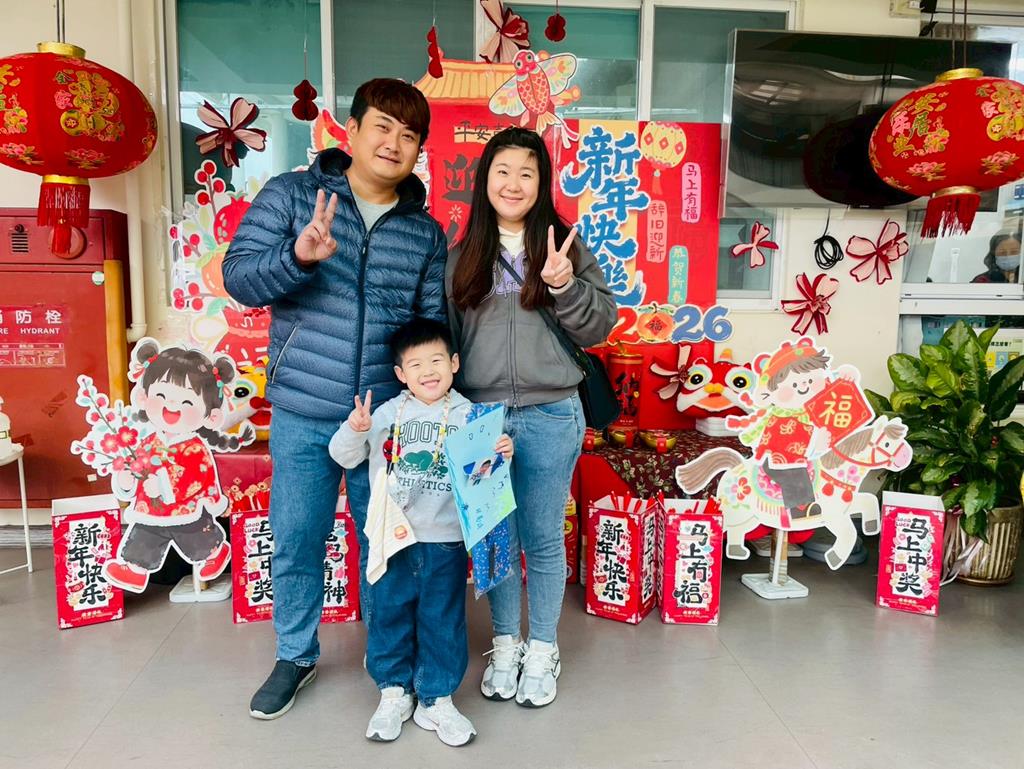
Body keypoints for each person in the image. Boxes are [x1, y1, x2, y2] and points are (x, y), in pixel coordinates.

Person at [222, 78, 448, 720]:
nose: (394, 143)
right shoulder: (294, 196)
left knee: (386, 544)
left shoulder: (424, 233)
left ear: (418, 150)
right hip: (304, 407)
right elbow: (239, 277)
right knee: (298, 538)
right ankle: (294, 655)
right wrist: (297, 255)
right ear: (351, 130)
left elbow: (430, 324)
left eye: (409, 135)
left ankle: (390, 665)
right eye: (383, 126)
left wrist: (435, 404)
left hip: (386, 422)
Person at [446, 126, 616, 708]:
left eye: (527, 172)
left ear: (542, 182)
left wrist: (565, 285)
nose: (513, 183)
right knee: (498, 537)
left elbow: (598, 327)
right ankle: (505, 644)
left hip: (551, 413)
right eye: (502, 171)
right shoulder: (462, 256)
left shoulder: (565, 247)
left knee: (542, 537)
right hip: (482, 418)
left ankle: (542, 647)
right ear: (484, 180)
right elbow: (449, 342)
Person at [329, 318, 513, 747]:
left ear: (454, 363)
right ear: (401, 374)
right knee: (389, 612)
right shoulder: (385, 414)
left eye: (436, 361)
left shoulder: (472, 417)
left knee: (442, 618)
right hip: (393, 537)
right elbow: (343, 456)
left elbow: (484, 479)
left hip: (445, 539)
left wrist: (504, 452)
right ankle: (393, 693)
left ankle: (436, 698)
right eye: (415, 365)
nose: (428, 372)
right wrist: (355, 429)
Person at [102, 340, 254, 593]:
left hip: (185, 507)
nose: (171, 406)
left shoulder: (195, 448)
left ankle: (215, 551)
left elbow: (197, 478)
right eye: (161, 396)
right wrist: (127, 480)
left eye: (186, 402)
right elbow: (136, 467)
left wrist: (163, 486)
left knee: (195, 537)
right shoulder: (147, 442)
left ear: (211, 415)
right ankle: (135, 569)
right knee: (144, 536)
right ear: (144, 397)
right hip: (150, 510)